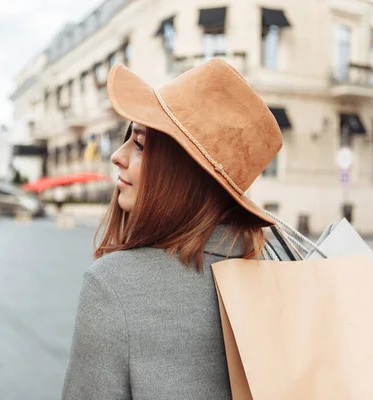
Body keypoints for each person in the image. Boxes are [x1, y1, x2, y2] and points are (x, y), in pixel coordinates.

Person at [62, 59, 282, 399]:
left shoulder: (113, 286)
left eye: (139, 144)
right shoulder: (281, 267)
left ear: (182, 171)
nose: (117, 156)